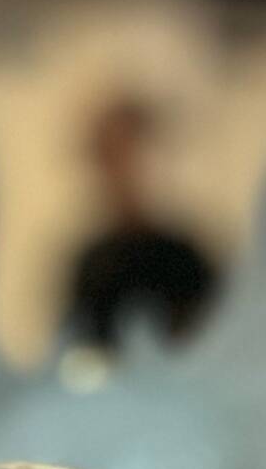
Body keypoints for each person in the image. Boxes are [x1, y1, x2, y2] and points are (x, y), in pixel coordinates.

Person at [60, 93, 220, 352]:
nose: (125, 171)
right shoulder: (91, 266)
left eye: (133, 153)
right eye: (112, 156)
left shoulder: (187, 261)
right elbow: (80, 349)